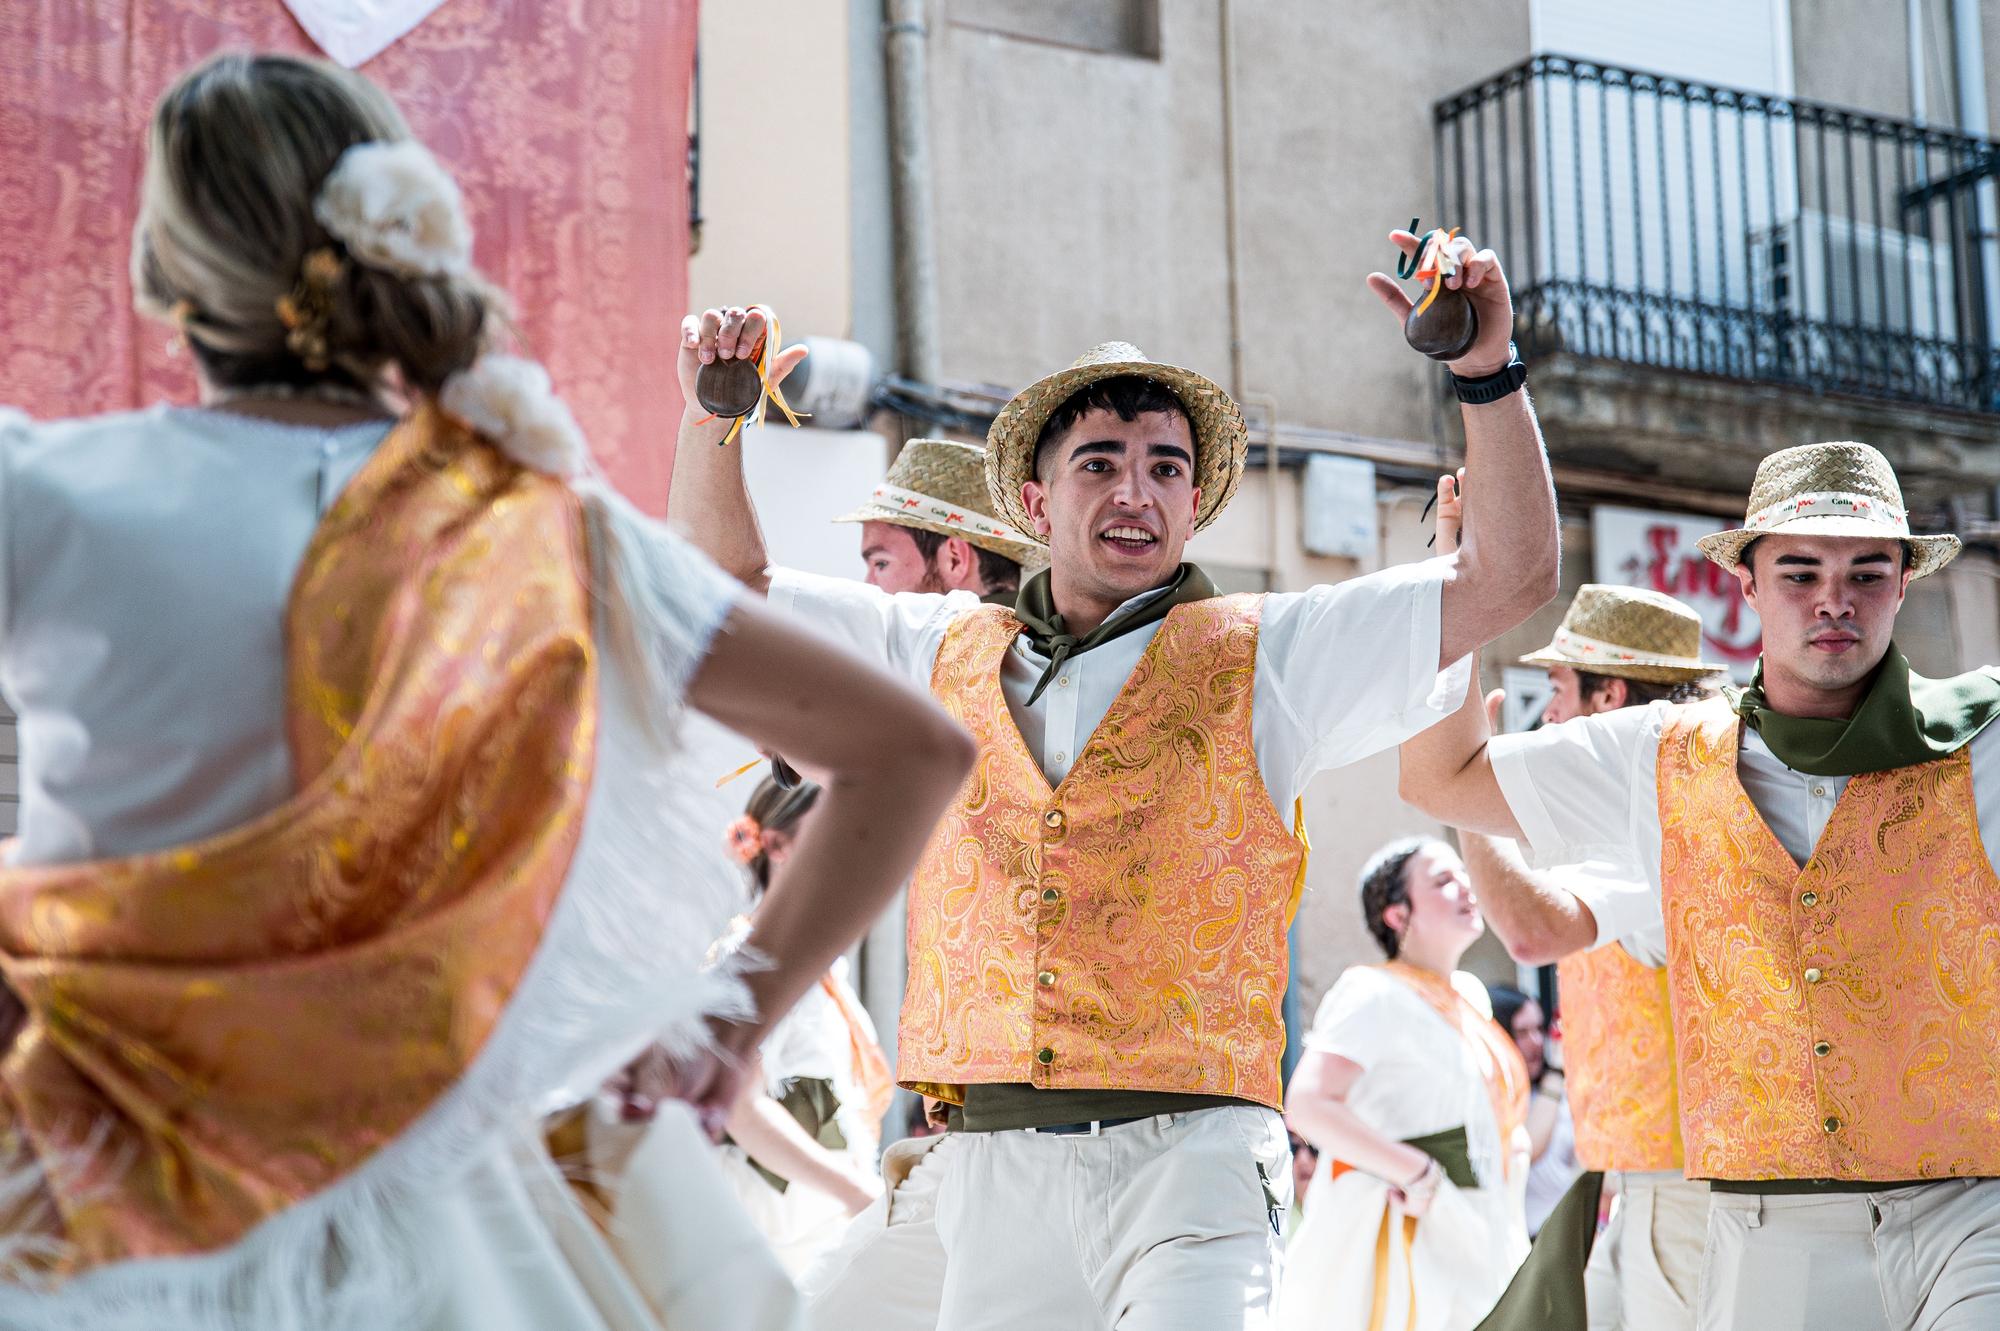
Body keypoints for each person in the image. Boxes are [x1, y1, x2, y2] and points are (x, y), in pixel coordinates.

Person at [0, 52, 974, 1331]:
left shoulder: (51, 490)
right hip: (431, 1204)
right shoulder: (547, 533)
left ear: (164, 272)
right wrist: (727, 1026)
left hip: (97, 1188)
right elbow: (909, 751)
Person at [668, 221, 1559, 1328]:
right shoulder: (930, 650)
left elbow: (1508, 573)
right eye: (1099, 462)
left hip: (1194, 1155)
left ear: (1192, 506)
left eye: (1164, 467)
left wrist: (1485, 370)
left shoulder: (1270, 652)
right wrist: (714, 419)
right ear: (1035, 508)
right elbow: (721, 594)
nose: (1134, 490)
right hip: (992, 1164)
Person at [1400, 440, 2000, 1331]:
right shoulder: (1660, 758)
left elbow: (1532, 926)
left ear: (1904, 583)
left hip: (1972, 1210)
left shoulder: (1985, 737)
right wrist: (1459, 572)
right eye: (1799, 570)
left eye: (1868, 570)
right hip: (1763, 1224)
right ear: (1748, 586)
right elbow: (1440, 777)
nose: (1834, 597)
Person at [1425, 476, 1719, 1331]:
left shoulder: (1660, 822)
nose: (1545, 713)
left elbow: (1530, 928)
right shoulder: (1658, 813)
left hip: (1682, 1187)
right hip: (1650, 1179)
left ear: (1609, 699)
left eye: (1558, 688)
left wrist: (1464, 803)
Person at [1281, 838, 1531, 1331]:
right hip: (1400, 1233)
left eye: (1464, 875)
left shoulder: (1470, 996)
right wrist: (1417, 1174)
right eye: (1442, 881)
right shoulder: (1371, 992)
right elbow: (1308, 1103)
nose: (1466, 887)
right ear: (1397, 915)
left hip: (1482, 1228)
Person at [710, 777, 897, 1276]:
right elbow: (740, 1110)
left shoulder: (813, 960)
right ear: (775, 845)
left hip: (814, 1224)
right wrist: (859, 1193)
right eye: (837, 835)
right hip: (769, 1231)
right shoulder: (749, 960)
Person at [837, 437, 1037, 599]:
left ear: (955, 560)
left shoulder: (959, 646)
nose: (868, 585)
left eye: (881, 563)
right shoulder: (1027, 641)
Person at [1488, 985, 1577, 1238]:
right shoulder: (1495, 1100)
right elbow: (1531, 1147)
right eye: (1522, 1032)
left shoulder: (1557, 1090)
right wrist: (1556, 1077)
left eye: (1539, 1029)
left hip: (1567, 1235)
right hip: (1527, 1242)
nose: (1536, 1041)